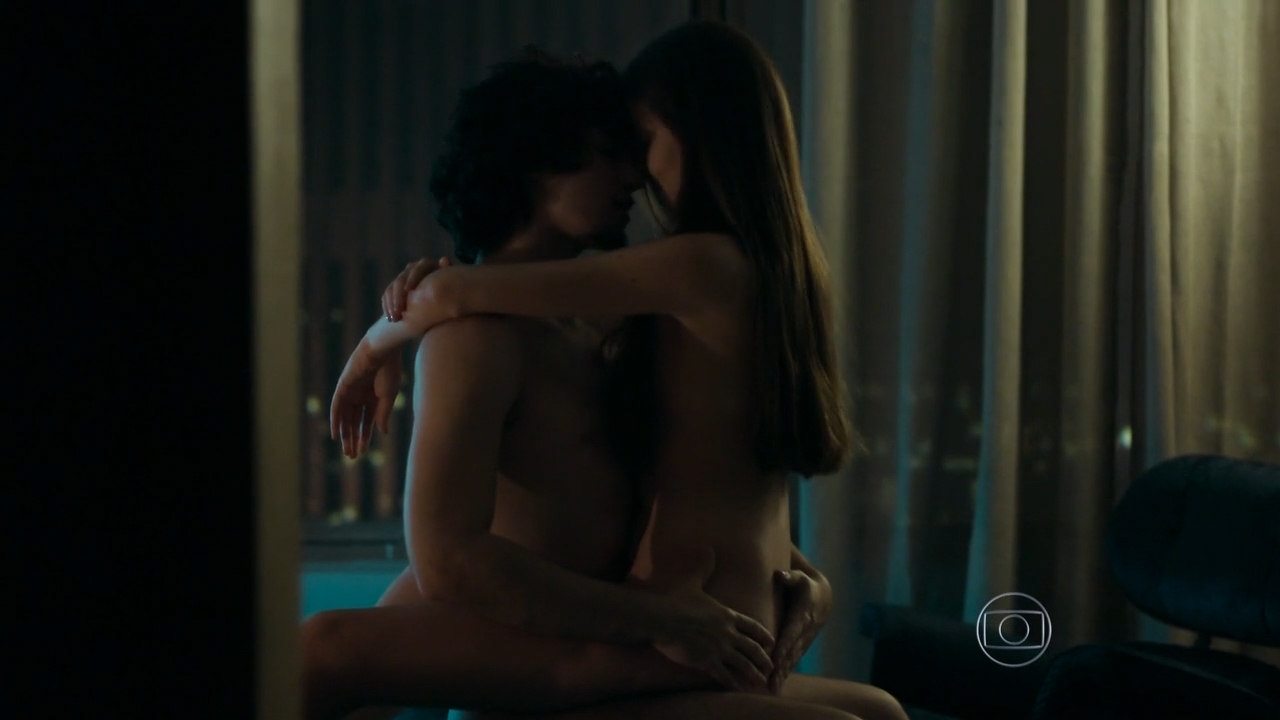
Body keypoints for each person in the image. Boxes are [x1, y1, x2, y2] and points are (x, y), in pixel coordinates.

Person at [340, 21, 908, 720]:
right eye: (615, 152)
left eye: (639, 144)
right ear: (533, 165)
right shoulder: (754, 274)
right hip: (702, 620)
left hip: (697, 625)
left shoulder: (688, 274)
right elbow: (452, 559)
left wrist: (373, 348)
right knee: (880, 712)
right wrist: (807, 581)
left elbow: (456, 293)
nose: (636, 175)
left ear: (696, 137)